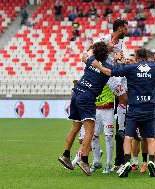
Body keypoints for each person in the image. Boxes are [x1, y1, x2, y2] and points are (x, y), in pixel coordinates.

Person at [92, 48, 155, 178]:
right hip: (149, 108)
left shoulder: (131, 67)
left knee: (128, 137)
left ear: (137, 57)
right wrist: (153, 64)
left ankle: (127, 162)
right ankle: (151, 161)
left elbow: (111, 72)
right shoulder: (154, 68)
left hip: (134, 108)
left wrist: (106, 63)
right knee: (150, 138)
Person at [58, 41, 112, 176]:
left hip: (76, 93)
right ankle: (85, 160)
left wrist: (89, 47)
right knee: (90, 130)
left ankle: (65, 155)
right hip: (87, 96)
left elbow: (83, 55)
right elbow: (110, 71)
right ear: (106, 55)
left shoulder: (90, 60)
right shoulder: (106, 66)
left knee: (75, 127)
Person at [86, 19, 129, 171]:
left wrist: (124, 60)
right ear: (120, 28)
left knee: (126, 95)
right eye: (125, 28)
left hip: (116, 72)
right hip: (107, 74)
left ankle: (122, 124)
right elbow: (90, 50)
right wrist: (103, 50)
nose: (127, 31)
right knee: (123, 97)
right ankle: (121, 125)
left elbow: (118, 57)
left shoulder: (121, 43)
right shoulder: (104, 38)